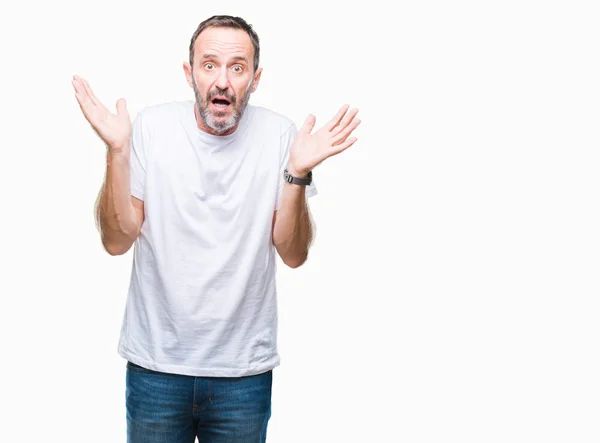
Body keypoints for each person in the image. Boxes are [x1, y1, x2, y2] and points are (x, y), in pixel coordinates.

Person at [72, 14, 360, 443]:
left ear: (255, 78)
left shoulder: (281, 136)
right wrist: (117, 151)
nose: (222, 81)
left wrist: (298, 172)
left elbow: (294, 253)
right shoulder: (151, 128)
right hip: (156, 368)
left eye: (237, 67)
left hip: (242, 375)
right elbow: (117, 241)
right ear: (190, 72)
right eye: (209, 65)